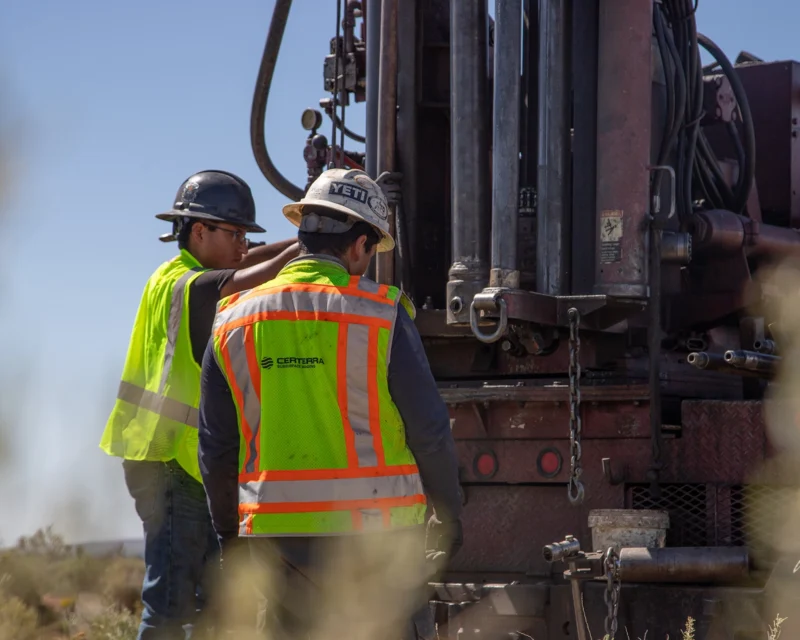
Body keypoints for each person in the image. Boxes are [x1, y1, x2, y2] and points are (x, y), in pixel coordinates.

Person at [197, 168, 463, 639]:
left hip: (276, 540)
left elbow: (217, 448)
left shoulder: (233, 319)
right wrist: (449, 510)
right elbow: (429, 430)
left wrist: (229, 535)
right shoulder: (382, 314)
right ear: (360, 244)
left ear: (302, 235)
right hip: (376, 540)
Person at [100, 169, 299, 639]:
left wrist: (299, 242)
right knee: (169, 603)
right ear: (199, 231)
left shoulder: (179, 278)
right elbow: (247, 277)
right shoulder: (184, 286)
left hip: (184, 464)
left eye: (247, 236)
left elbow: (248, 266)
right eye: (235, 234)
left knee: (212, 604)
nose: (244, 244)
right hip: (167, 461)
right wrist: (308, 247)